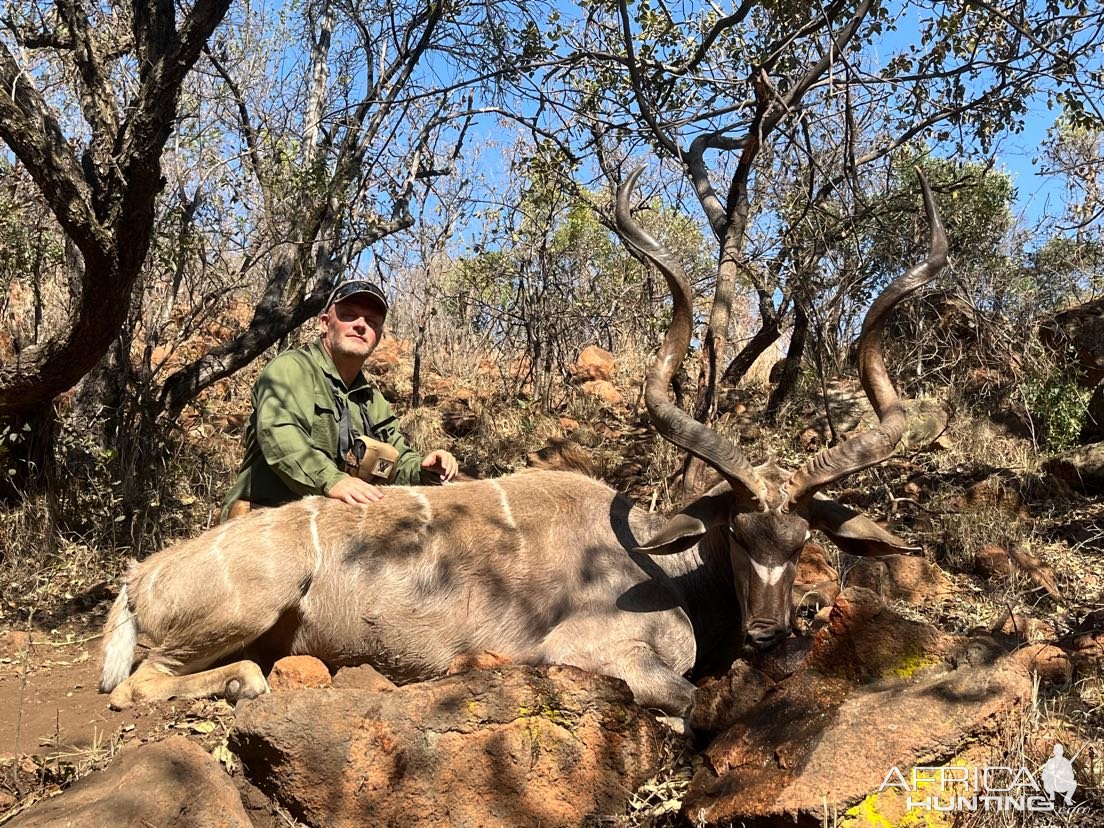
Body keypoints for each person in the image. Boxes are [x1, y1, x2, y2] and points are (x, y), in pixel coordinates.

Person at [221, 279, 458, 520]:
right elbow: (280, 433)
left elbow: (396, 459)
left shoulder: (371, 398)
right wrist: (332, 480)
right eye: (349, 315)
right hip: (265, 518)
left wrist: (423, 469)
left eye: (371, 321)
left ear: (378, 336)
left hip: (328, 524)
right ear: (324, 323)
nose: (360, 325)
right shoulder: (291, 368)